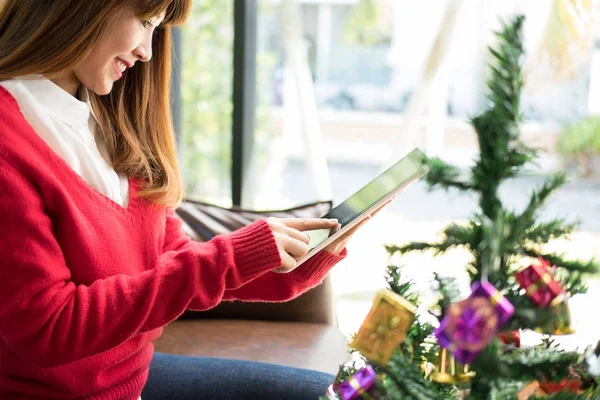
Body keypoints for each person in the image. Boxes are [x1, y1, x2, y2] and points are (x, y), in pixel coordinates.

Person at [0, 1, 370, 399]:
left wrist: (294, 263)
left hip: (130, 380)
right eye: (144, 22)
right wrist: (229, 259)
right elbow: (48, 329)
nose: (147, 50)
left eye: (156, 28)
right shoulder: (10, 140)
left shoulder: (106, 118)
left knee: (349, 394)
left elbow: (170, 258)